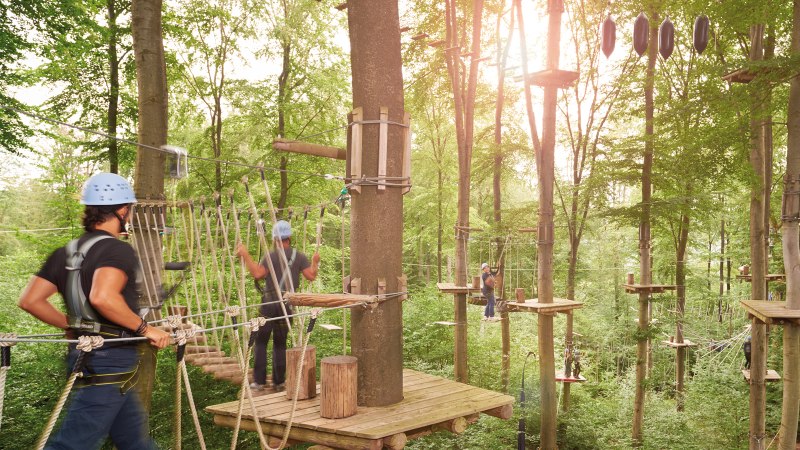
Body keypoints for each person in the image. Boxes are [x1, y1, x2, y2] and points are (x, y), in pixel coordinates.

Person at [17, 172, 170, 450]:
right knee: (72, 445)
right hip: (110, 359)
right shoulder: (117, 249)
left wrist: (72, 325)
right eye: (130, 210)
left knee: (134, 441)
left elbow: (30, 301)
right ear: (122, 210)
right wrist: (146, 329)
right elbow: (103, 297)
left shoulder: (66, 251)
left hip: (86, 355)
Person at [237, 220, 320, 391]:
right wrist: (315, 262)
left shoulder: (270, 256)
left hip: (269, 304)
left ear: (276, 239)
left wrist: (245, 255)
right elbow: (311, 276)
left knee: (261, 341)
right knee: (280, 343)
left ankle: (259, 382)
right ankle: (279, 382)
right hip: (287, 304)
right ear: (289, 237)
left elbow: (258, 274)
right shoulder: (299, 256)